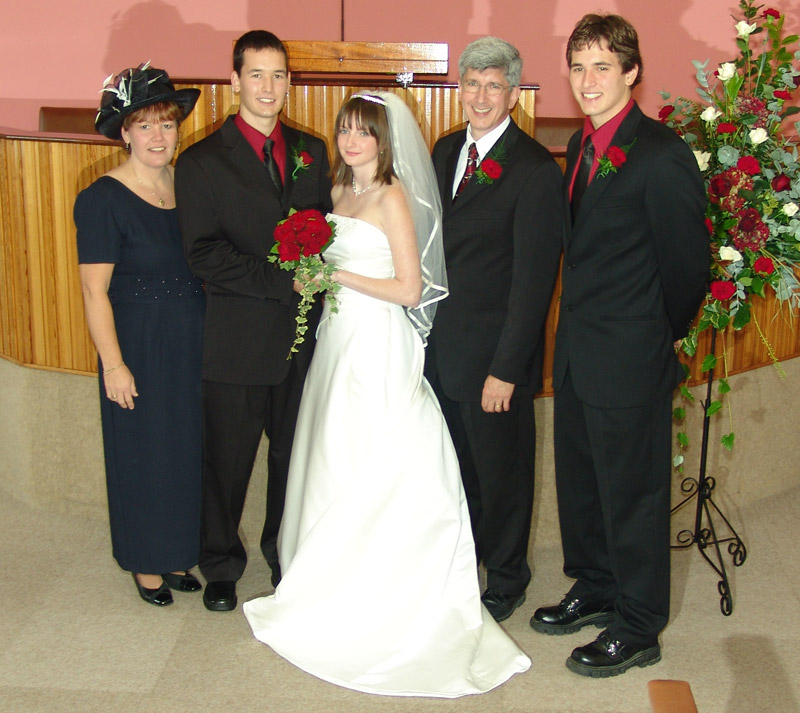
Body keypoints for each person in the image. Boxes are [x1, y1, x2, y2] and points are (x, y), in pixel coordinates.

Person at [243, 92, 531, 697]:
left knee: (375, 455)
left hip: (376, 344)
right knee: (331, 453)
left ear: (383, 141)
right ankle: (327, 580)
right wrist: (310, 269)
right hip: (338, 339)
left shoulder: (394, 196)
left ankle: (386, 591)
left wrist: (332, 274)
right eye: (345, 130)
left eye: (363, 133)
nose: (351, 142)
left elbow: (409, 288)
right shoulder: (338, 192)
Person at [529, 14, 708, 677]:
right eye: (578, 67)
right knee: (582, 485)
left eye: (603, 66)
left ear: (632, 71)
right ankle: (597, 583)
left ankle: (638, 623)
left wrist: (653, 334)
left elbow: (689, 267)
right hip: (578, 350)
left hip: (631, 356)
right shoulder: (581, 146)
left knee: (631, 493)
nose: (588, 81)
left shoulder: (661, 153)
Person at [175, 31, 332, 612]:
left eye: (279, 75)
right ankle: (219, 563)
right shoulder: (200, 162)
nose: (269, 87)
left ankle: (283, 554)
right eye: (257, 75)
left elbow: (329, 231)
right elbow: (203, 253)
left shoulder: (313, 151)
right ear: (235, 80)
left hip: (303, 340)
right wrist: (279, 280)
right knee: (228, 459)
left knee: (293, 458)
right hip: (237, 339)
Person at [426, 37, 563, 622]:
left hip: (492, 363)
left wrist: (507, 369)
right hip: (441, 353)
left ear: (513, 93)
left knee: (502, 478)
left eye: (494, 86)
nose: (481, 96)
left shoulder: (533, 169)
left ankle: (507, 577)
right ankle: (466, 564)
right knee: (455, 473)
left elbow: (533, 286)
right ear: (461, 88)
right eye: (472, 84)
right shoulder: (443, 148)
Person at [74, 64, 204, 606]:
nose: (158, 136)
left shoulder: (186, 184)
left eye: (167, 124)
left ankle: (175, 552)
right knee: (143, 453)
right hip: (138, 346)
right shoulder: (102, 198)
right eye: (145, 125)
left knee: (182, 450)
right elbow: (92, 291)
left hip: (190, 342)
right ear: (124, 132)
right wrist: (114, 364)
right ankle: (144, 561)